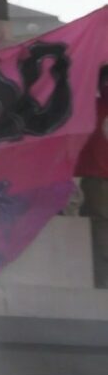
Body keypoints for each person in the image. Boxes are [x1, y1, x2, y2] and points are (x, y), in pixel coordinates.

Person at [77, 66, 108, 288]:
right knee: (98, 228)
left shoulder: (91, 108)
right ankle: (102, 283)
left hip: (96, 178)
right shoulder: (91, 108)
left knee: (99, 228)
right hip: (97, 179)